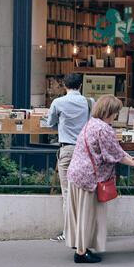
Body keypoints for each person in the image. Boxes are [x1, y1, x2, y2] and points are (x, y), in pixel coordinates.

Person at [64, 94, 134, 263]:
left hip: (77, 174)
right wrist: (133, 163)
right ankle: (81, 253)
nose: (116, 116)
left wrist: (128, 156)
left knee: (79, 214)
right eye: (115, 112)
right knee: (88, 215)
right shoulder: (104, 129)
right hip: (89, 178)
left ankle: (80, 246)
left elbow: (114, 149)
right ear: (109, 112)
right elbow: (114, 153)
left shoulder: (91, 124)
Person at [47, 72, 95, 241]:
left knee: (67, 192)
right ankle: (85, 231)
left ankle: (69, 233)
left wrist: (62, 127)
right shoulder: (90, 102)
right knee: (84, 191)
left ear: (64, 86)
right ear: (81, 86)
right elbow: (92, 125)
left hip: (67, 150)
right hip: (85, 151)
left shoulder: (58, 102)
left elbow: (49, 123)